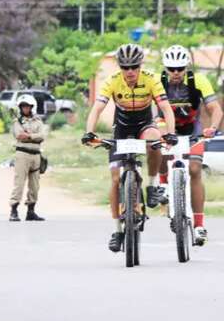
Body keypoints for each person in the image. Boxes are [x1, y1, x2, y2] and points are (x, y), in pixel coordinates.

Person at [81, 43, 177, 252]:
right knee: (115, 179)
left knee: (154, 139)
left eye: (134, 66)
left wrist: (171, 133)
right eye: (126, 67)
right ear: (120, 67)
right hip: (121, 130)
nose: (130, 71)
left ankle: (151, 186)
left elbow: (166, 109)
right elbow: (97, 108)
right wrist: (89, 132)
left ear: (140, 65)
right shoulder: (112, 82)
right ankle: (117, 229)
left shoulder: (150, 79)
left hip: (144, 125)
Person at [158, 45, 223, 245]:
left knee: (195, 169)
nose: (175, 73)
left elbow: (215, 109)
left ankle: (199, 225)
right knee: (157, 141)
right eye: (171, 69)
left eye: (180, 69)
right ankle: (162, 184)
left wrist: (212, 127)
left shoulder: (199, 81)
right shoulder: (158, 82)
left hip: (192, 128)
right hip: (165, 125)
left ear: (186, 67)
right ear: (165, 68)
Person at [8, 94, 45, 222]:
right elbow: (19, 135)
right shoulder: (17, 121)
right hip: (22, 154)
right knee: (19, 183)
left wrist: (29, 136)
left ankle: (31, 210)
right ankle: (14, 210)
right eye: (23, 106)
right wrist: (34, 136)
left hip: (36, 155)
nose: (25, 108)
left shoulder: (38, 121)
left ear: (32, 107)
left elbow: (42, 135)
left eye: (27, 106)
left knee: (35, 185)